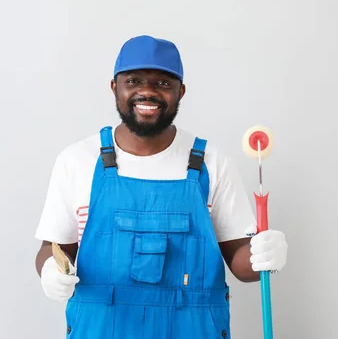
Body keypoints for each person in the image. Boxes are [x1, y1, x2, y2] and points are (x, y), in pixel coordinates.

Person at [33, 35, 288, 338]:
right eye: (134, 80)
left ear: (181, 92)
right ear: (115, 87)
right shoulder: (77, 161)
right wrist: (50, 269)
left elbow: (239, 260)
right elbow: (53, 250)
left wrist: (264, 258)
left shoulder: (211, 162)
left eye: (163, 83)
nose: (147, 92)